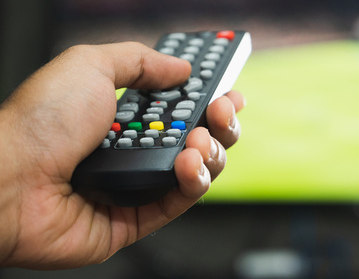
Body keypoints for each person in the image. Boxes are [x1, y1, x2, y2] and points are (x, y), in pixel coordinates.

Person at [0, 41, 245, 269]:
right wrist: (24, 160)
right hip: (80, 186)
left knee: (201, 141)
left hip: (84, 189)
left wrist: (19, 193)